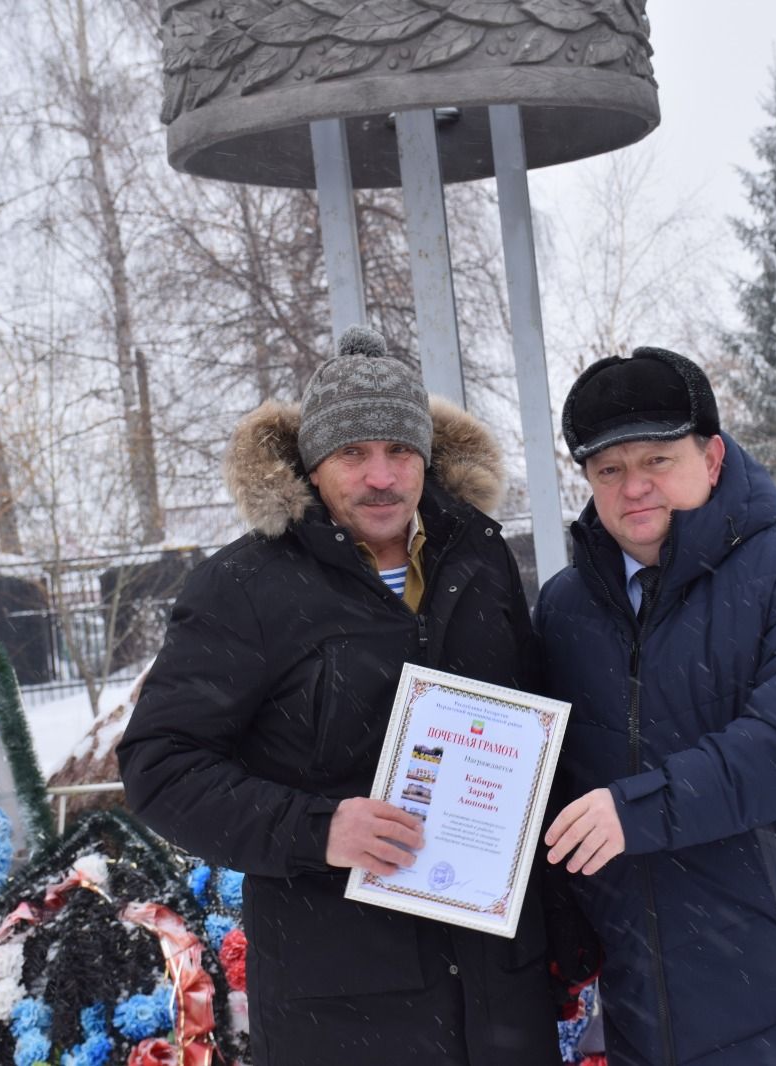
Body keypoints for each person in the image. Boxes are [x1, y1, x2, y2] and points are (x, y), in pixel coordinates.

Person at [117, 326, 560, 1066]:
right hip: (344, 1006)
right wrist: (318, 829)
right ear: (313, 467)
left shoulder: (478, 558)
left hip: (497, 995)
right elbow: (160, 766)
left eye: (399, 451)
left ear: (427, 456)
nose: (380, 476)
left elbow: (530, 741)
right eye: (353, 453)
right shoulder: (246, 587)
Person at [535, 347, 776, 1065]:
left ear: (711, 459)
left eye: (657, 460)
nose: (634, 486)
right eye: (609, 470)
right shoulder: (564, 610)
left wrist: (637, 810)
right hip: (651, 1007)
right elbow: (548, 778)